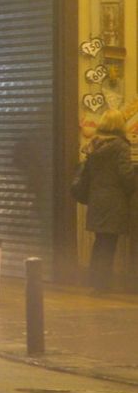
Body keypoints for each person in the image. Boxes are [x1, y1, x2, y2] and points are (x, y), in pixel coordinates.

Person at [79, 109, 133, 293]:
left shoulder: (94, 144)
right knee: (109, 244)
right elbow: (126, 174)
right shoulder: (120, 146)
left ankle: (96, 283)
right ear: (119, 125)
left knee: (100, 242)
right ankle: (103, 284)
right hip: (114, 201)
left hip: (96, 199)